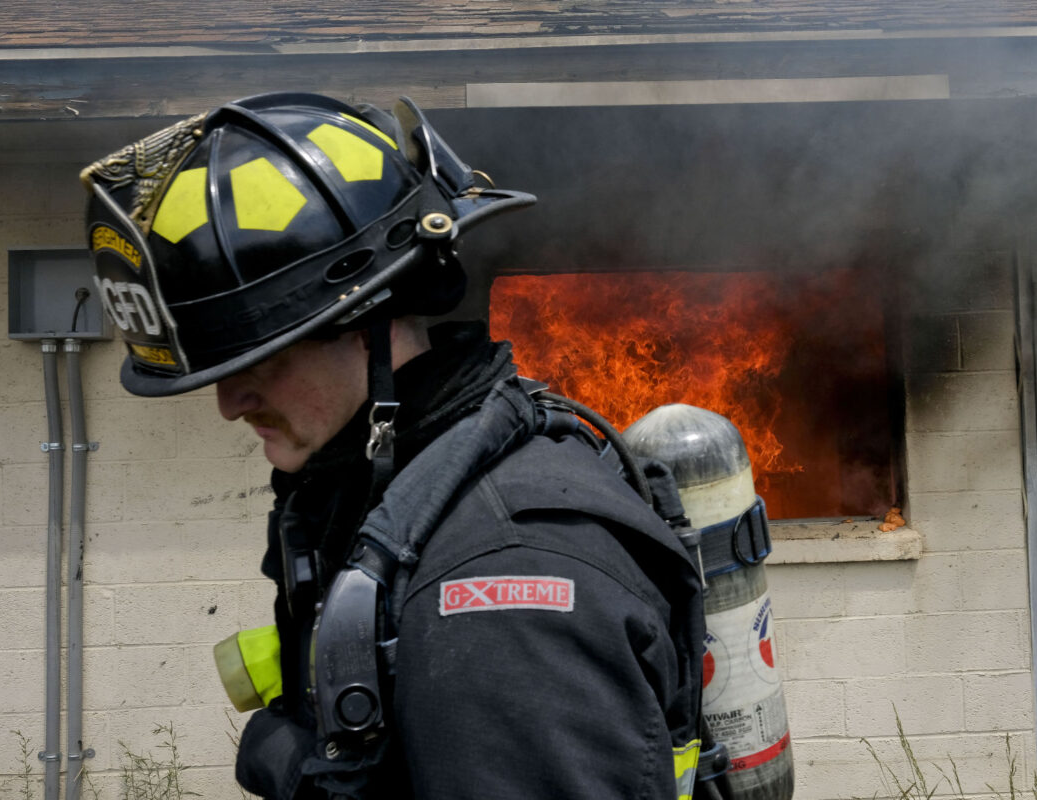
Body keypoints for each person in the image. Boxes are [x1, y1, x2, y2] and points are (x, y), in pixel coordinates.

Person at [80, 92, 706, 799]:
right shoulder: (392, 493)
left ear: (366, 321)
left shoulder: (502, 581)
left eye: (262, 363)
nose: (230, 404)